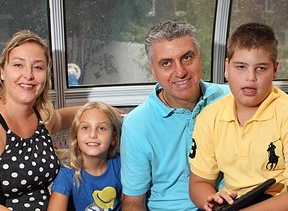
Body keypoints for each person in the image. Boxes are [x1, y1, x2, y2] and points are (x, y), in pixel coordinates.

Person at [120, 19, 230, 211]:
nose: (180, 71)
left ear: (199, 57)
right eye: (166, 63)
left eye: (187, 58)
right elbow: (133, 201)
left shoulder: (230, 99)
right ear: (153, 70)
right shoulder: (136, 124)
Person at [189, 22, 288, 211]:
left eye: (261, 68)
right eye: (241, 66)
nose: (250, 77)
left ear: (275, 70)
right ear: (227, 67)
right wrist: (210, 200)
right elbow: (198, 182)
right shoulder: (209, 117)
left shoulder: (284, 113)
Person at [0, 30, 81, 210]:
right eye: (18, 65)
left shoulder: (43, 116)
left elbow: (65, 117)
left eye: (38, 67)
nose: (28, 75)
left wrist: (104, 110)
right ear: (2, 72)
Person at [48, 101, 122, 211]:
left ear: (114, 138)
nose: (93, 135)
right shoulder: (67, 171)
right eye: (85, 127)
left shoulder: (120, 165)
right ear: (76, 136)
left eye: (102, 128)